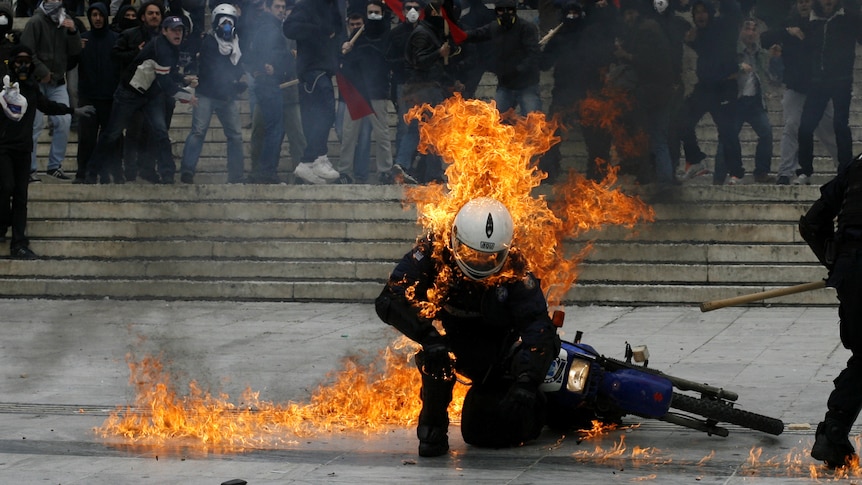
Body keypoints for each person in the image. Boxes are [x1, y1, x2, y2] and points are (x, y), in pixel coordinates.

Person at [375, 197, 560, 457]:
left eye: (490, 257)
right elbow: (390, 298)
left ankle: (539, 405)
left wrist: (528, 381)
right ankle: (432, 429)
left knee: (485, 432)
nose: (479, 263)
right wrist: (428, 336)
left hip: (498, 354)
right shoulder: (434, 249)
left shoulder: (516, 268)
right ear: (455, 239)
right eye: (471, 253)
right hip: (450, 343)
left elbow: (538, 326)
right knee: (436, 358)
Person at [799, 152, 862, 468]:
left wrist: (837, 262)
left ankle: (833, 434)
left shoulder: (857, 164)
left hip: (852, 273)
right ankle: (832, 433)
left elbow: (813, 222)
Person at [0, 46, 93, 258]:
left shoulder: (32, 87)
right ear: (12, 63)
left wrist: (72, 110)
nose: (22, 66)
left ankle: (19, 243)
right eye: (18, 62)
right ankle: (2, 224)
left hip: (23, 149)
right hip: (4, 147)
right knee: (6, 187)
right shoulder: (4, 86)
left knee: (21, 196)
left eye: (26, 61)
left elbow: (48, 106)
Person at [85, 16, 196, 184]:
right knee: (112, 134)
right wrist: (187, 97)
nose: (177, 33)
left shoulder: (171, 47)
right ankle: (92, 171)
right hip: (130, 93)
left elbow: (168, 73)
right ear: (164, 31)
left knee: (160, 132)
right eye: (173, 29)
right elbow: (165, 83)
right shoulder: (162, 48)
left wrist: (183, 79)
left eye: (180, 30)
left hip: (151, 94)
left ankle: (167, 173)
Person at [761, 0, 838, 186]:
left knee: (830, 132)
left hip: (819, 89)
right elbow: (764, 39)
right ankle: (785, 173)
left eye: (808, 1)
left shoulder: (823, 21)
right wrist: (788, 32)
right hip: (795, 88)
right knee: (791, 127)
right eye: (800, 1)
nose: (804, 5)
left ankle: (846, 167)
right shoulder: (788, 22)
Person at [795, 0, 862, 185]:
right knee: (805, 127)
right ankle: (805, 171)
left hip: (841, 80)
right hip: (818, 82)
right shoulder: (810, 19)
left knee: (840, 125)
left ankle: (846, 170)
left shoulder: (849, 18)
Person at [678, 0, 744, 185]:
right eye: (696, 12)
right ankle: (696, 159)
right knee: (682, 119)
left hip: (725, 87)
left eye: (704, 12)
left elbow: (733, 9)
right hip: (705, 87)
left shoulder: (724, 25)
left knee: (727, 131)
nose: (700, 16)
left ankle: (736, 172)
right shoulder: (697, 35)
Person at [179, 3, 245, 184]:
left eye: (230, 22)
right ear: (216, 23)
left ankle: (236, 175)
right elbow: (212, 70)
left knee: (236, 136)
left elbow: (237, 68)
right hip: (207, 94)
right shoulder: (208, 42)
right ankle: (187, 171)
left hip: (227, 97)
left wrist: (237, 83)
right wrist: (231, 83)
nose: (227, 25)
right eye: (223, 21)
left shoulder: (237, 45)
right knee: (198, 132)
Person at [20, 0, 82, 182]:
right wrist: (42, 72)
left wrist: (73, 32)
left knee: (64, 120)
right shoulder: (35, 22)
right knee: (35, 125)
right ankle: (30, 169)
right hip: (36, 83)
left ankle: (55, 166)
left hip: (57, 82)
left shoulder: (66, 20)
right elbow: (25, 52)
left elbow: (76, 51)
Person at [282, 0, 342, 185]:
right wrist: (318, 30)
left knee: (320, 115)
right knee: (325, 112)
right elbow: (289, 28)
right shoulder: (307, 5)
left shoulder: (333, 7)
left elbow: (337, 33)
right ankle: (312, 158)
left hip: (325, 67)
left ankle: (313, 159)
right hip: (312, 69)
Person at [337, 0, 393, 184]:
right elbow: (345, 61)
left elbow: (384, 57)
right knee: (349, 134)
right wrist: (345, 50)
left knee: (382, 133)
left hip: (376, 90)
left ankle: (384, 171)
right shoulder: (356, 35)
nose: (373, 16)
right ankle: (345, 171)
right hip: (356, 91)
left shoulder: (386, 34)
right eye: (370, 12)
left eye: (376, 12)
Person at [714, 17, 775, 184]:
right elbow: (721, 68)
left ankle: (761, 171)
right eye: (747, 29)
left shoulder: (760, 52)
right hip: (735, 102)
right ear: (740, 31)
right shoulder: (731, 51)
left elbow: (765, 73)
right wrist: (739, 67)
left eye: (754, 29)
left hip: (754, 102)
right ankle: (718, 178)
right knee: (727, 138)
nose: (751, 33)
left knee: (766, 133)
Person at [112, 0, 165, 183]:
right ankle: (130, 169)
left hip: (156, 93)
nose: (154, 16)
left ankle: (148, 169)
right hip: (133, 91)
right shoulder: (130, 35)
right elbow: (116, 55)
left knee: (153, 132)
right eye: (151, 13)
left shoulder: (165, 38)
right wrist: (137, 52)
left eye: (157, 13)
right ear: (143, 17)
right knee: (134, 131)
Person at [464, 0, 541, 116]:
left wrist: (518, 70)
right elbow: (476, 34)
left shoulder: (527, 28)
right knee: (496, 120)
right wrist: (459, 34)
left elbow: (533, 54)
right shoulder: (494, 27)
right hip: (506, 85)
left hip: (527, 84)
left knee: (533, 121)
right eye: (501, 10)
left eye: (509, 10)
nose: (505, 13)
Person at [75, 2, 122, 184]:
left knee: (112, 138)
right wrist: (77, 48)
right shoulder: (83, 40)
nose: (97, 19)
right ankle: (83, 172)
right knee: (86, 137)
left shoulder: (116, 39)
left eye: (100, 15)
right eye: (94, 15)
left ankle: (113, 173)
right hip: (88, 96)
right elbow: (71, 62)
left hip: (110, 97)